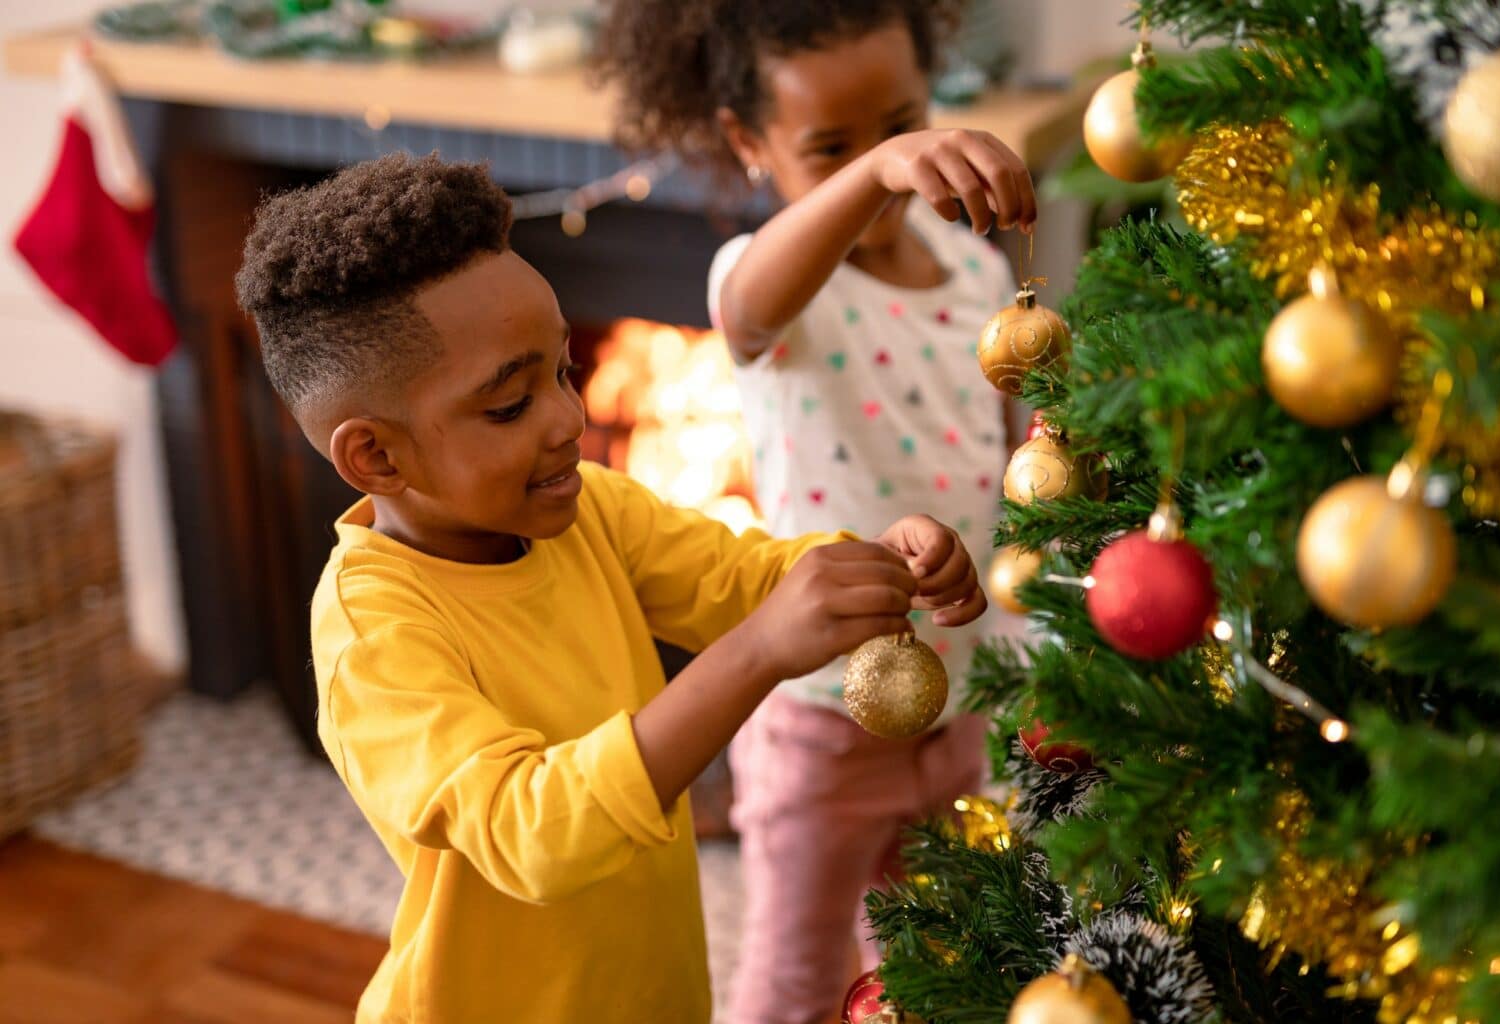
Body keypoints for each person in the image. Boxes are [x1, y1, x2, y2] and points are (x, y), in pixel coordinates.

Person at [232, 152, 988, 1024]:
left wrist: (877, 561)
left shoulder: (590, 512)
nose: (567, 419)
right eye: (510, 406)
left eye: (563, 372)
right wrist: (756, 652)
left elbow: (742, 579)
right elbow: (534, 831)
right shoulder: (374, 637)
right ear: (376, 456)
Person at [595, 2, 1038, 1020]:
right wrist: (878, 171)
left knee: (939, 970)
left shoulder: (974, 269)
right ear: (750, 144)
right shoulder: (772, 288)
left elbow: (992, 448)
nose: (884, 166)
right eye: (830, 148)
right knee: (794, 984)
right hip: (821, 726)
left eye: (901, 127)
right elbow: (748, 302)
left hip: (958, 701)